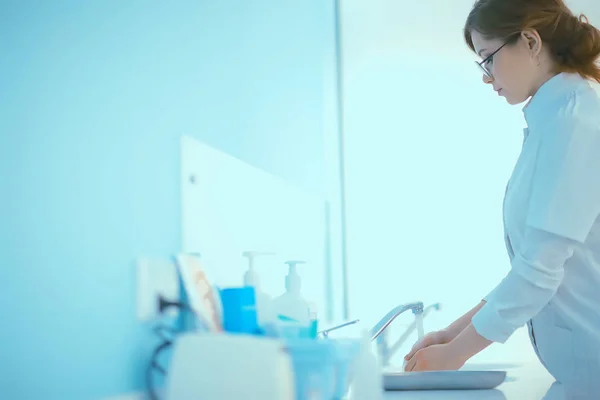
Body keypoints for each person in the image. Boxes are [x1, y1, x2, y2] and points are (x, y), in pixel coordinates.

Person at [403, 0, 600, 397]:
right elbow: (531, 267)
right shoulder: (554, 119)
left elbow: (539, 272)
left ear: (529, 41)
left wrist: (454, 355)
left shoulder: (576, 120)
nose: (486, 77)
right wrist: (450, 335)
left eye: (487, 59)